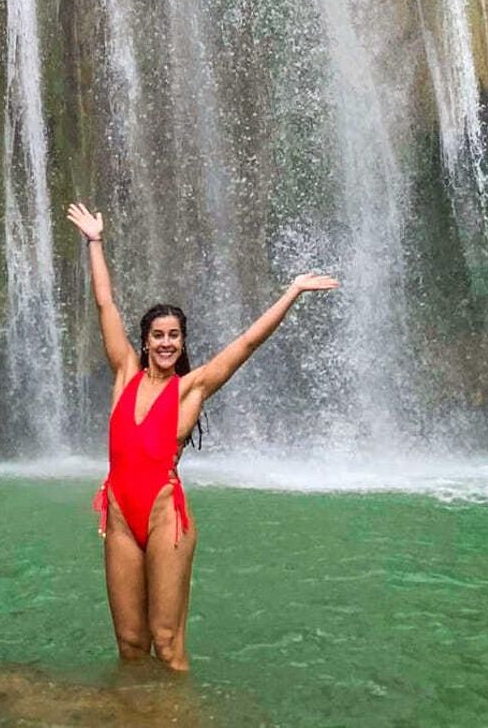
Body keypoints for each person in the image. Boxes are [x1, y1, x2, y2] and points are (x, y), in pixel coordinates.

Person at [65, 202, 338, 672]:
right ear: (145, 341)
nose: (167, 342)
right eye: (158, 335)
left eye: (175, 335)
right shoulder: (124, 371)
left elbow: (247, 342)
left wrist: (292, 292)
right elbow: (105, 304)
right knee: (130, 643)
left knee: (166, 641)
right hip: (120, 517)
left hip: (163, 515)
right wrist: (95, 242)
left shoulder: (192, 389)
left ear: (183, 343)